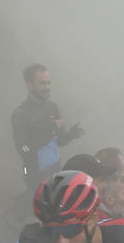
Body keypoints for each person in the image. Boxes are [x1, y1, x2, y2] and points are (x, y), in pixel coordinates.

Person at [11, 64, 83, 193]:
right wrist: (50, 128)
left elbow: (60, 141)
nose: (47, 87)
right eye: (42, 84)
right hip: (35, 175)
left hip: (56, 169)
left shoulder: (52, 107)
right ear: (29, 85)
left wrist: (71, 134)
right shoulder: (20, 114)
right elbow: (23, 149)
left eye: (49, 83)